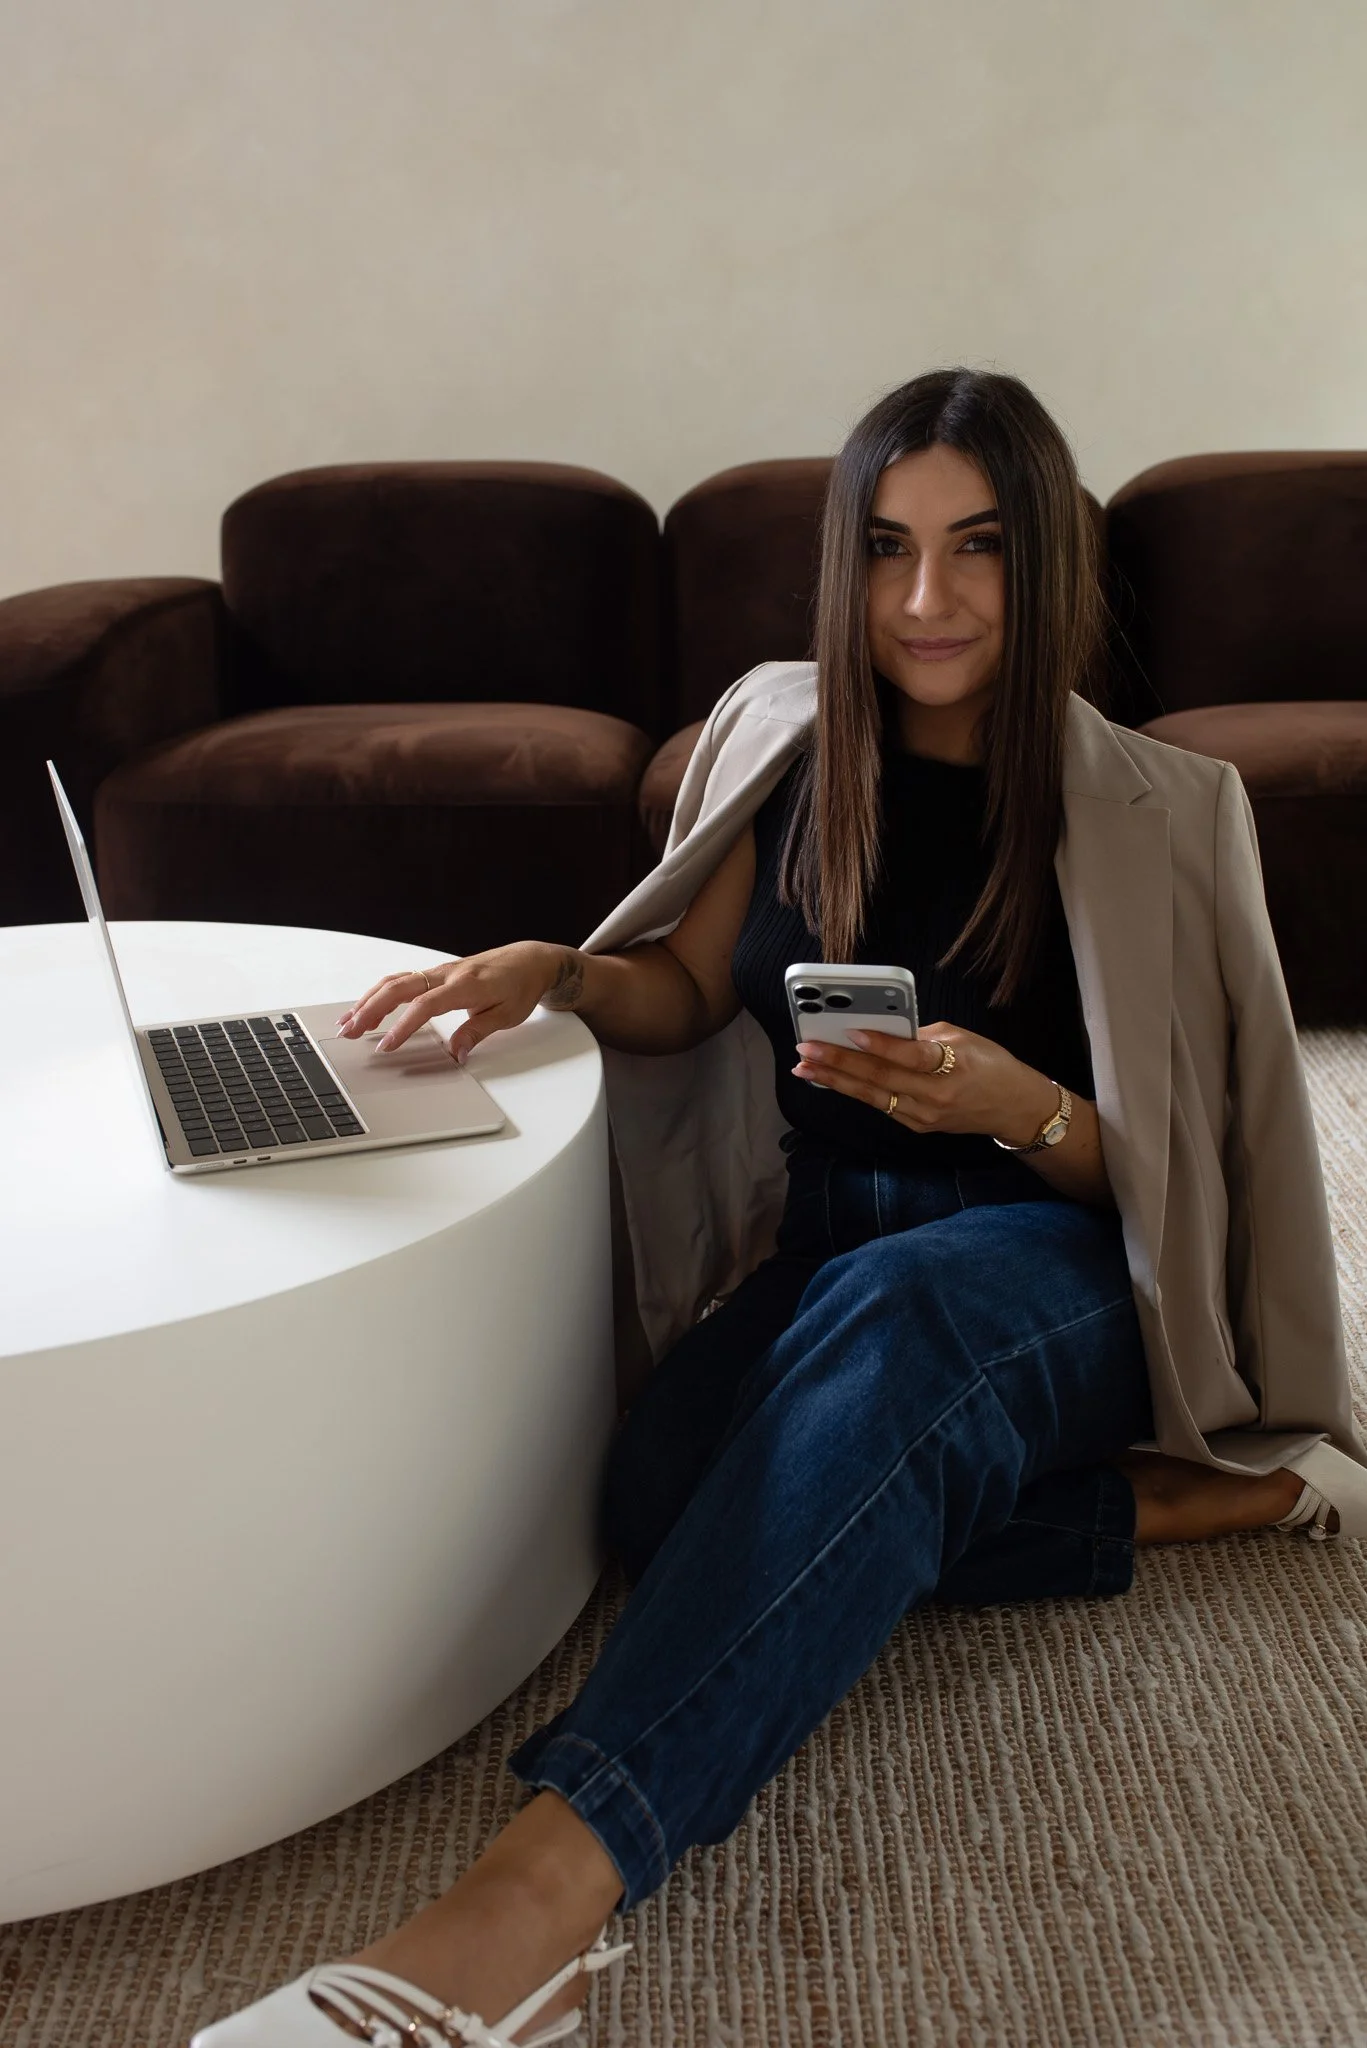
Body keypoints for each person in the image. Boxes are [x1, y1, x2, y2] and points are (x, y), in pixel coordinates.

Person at [194, 369, 1367, 2048]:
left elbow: (1203, 1181)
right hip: (833, 1245)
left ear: (1045, 563)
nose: (925, 601)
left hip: (1059, 1263)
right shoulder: (788, 741)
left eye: (976, 549)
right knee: (664, 1500)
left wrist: (1016, 1109)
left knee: (897, 1339)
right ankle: (1176, 1511)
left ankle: (525, 1911)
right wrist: (565, 973)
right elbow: (685, 989)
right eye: (886, 548)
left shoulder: (1168, 814)